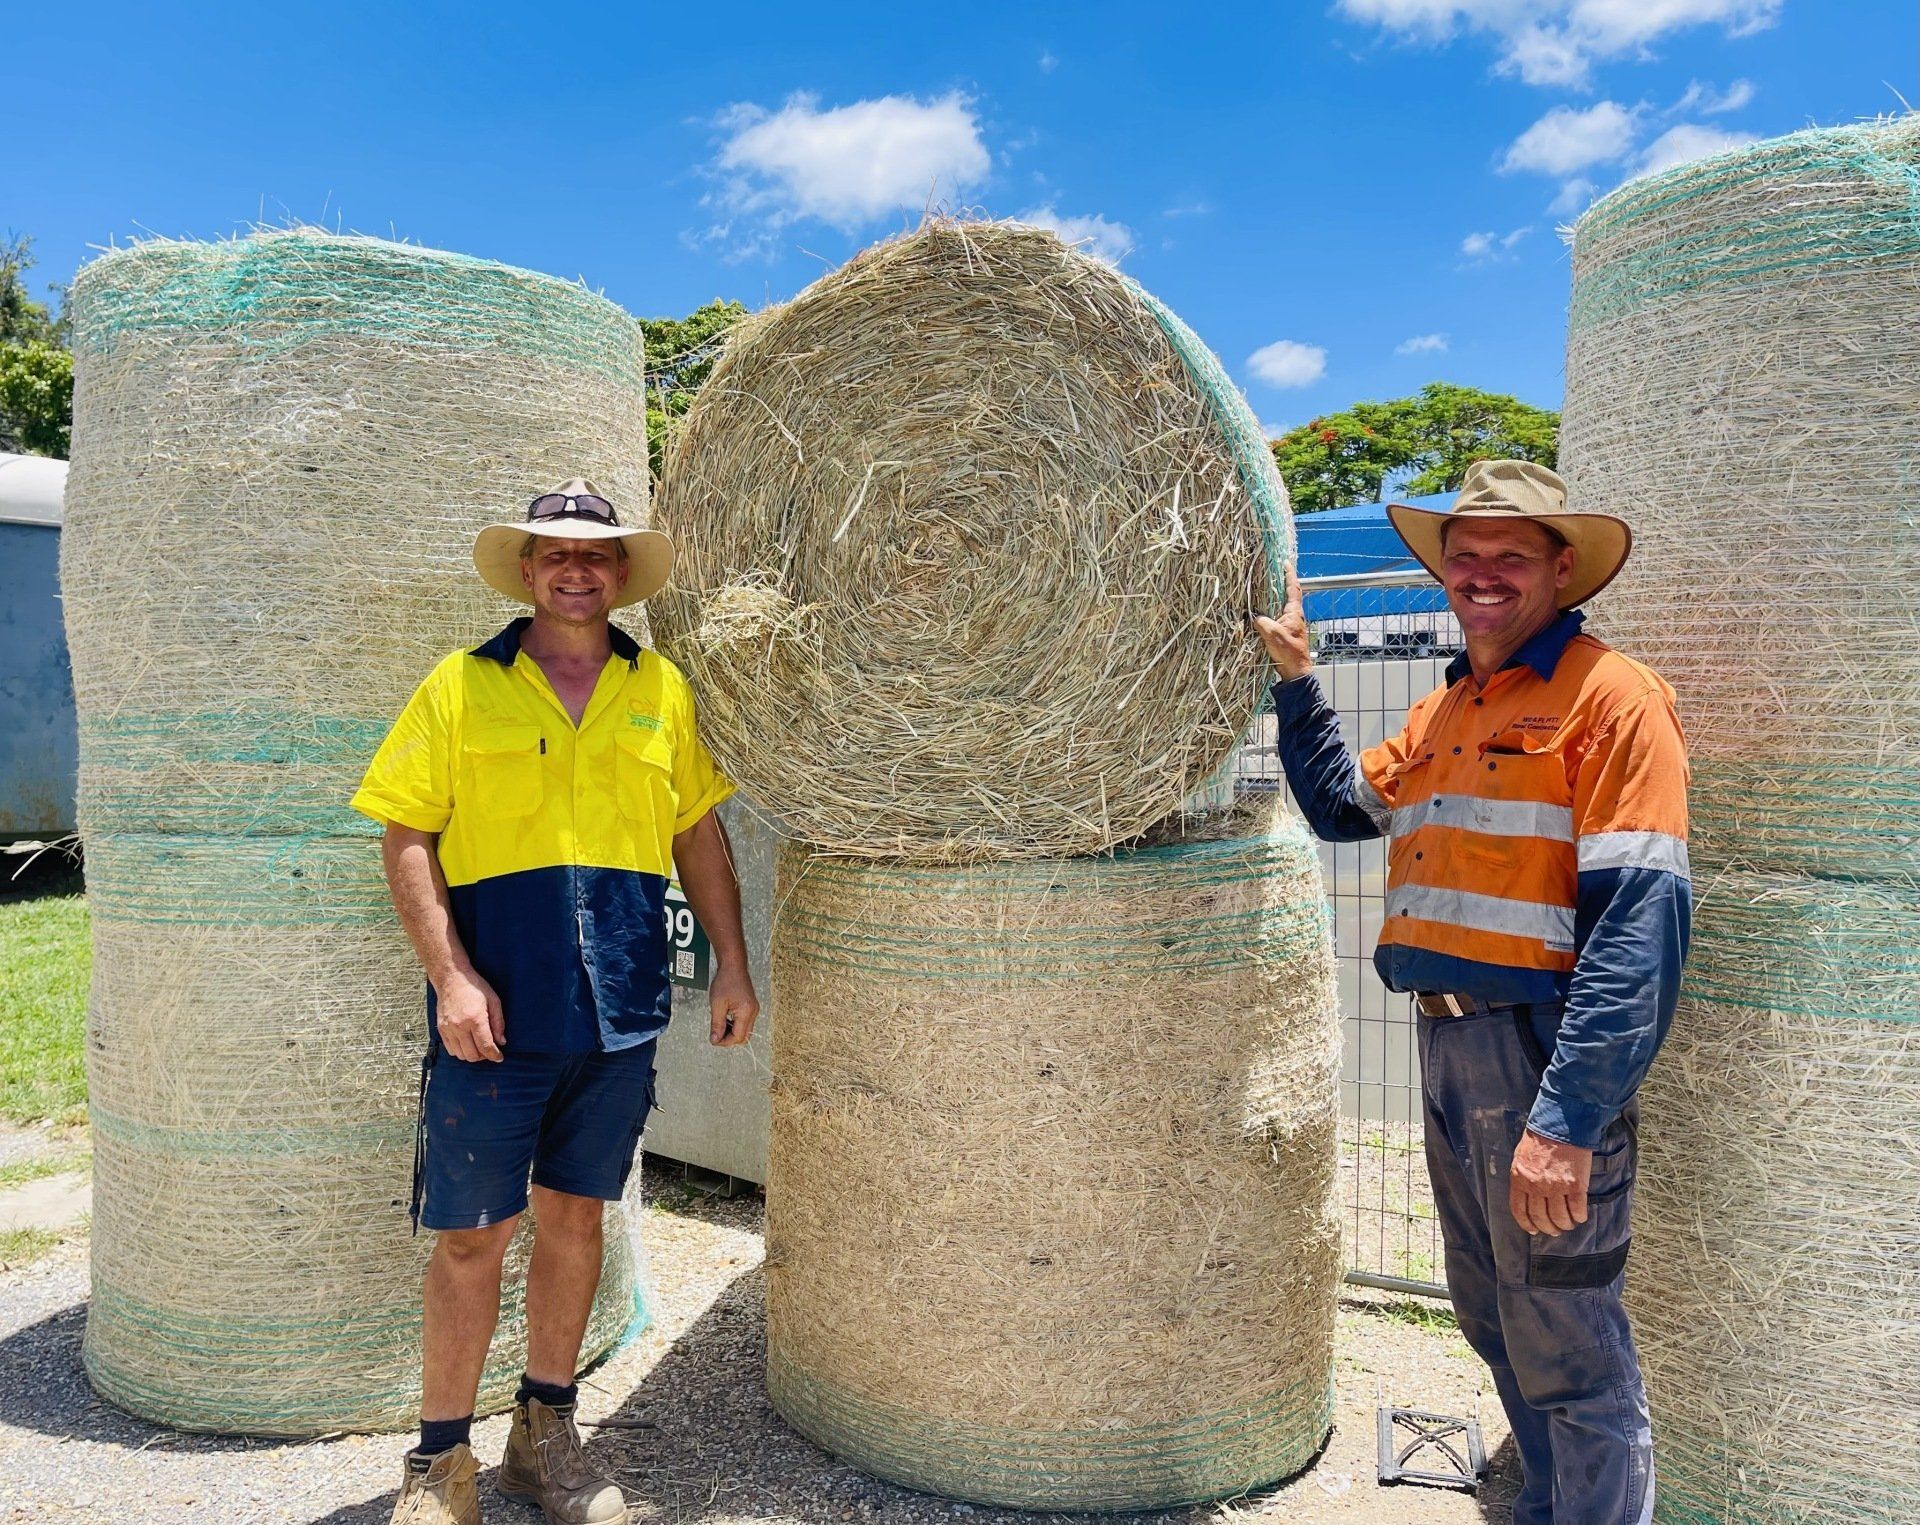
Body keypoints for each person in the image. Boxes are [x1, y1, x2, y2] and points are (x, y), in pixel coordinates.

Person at [1254, 460, 1689, 1525]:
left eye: (1510, 555)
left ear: (1560, 568)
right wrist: (1297, 680)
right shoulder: (1450, 702)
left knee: (1570, 1338)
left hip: (1537, 1052)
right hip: (1446, 1049)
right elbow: (1346, 811)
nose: (1483, 574)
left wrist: (1570, 1119)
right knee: (1495, 1313)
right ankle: (1548, 1505)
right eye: (1466, 555)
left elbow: (1640, 925)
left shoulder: (1613, 697)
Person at [352, 478, 759, 1525]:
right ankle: (439, 1468)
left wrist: (732, 963)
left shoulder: (660, 688)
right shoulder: (460, 685)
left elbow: (699, 833)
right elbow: (404, 832)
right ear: (527, 571)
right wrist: (451, 975)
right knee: (472, 1236)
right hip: (496, 1013)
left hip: (617, 1007)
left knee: (577, 1219)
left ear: (621, 576)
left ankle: (546, 1434)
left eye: (596, 554)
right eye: (553, 553)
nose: (575, 568)